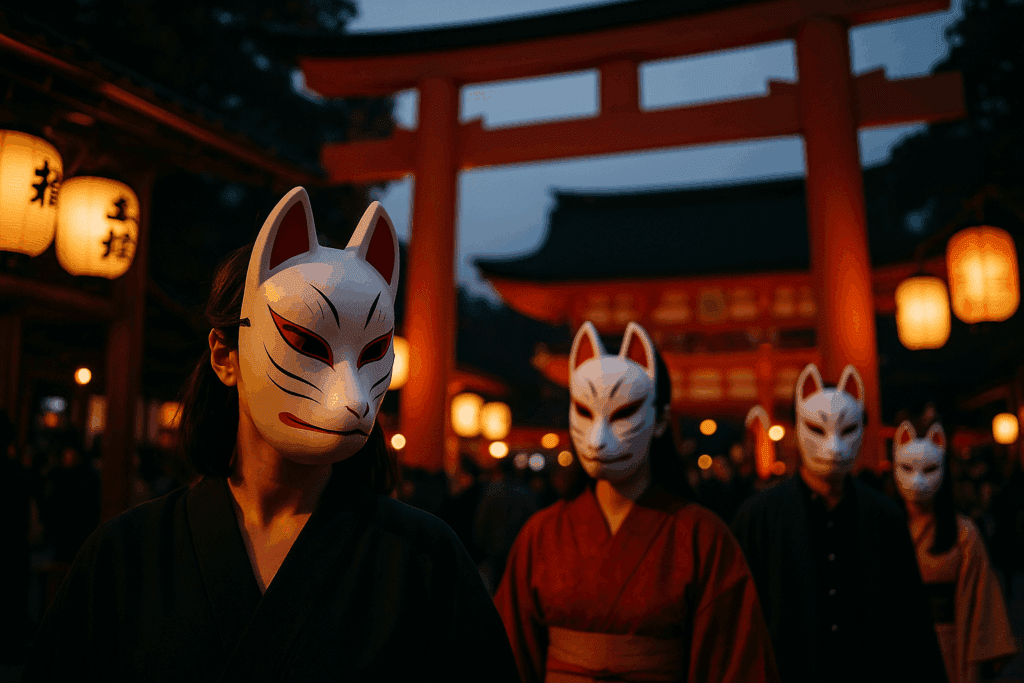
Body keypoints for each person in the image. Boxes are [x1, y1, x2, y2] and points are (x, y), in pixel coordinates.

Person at [22, 188, 518, 682]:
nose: (354, 396)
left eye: (372, 353)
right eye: (305, 342)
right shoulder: (125, 556)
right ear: (225, 355)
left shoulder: (424, 559)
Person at [495, 321, 779, 683]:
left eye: (623, 415)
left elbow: (735, 664)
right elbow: (506, 656)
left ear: (660, 421)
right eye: (584, 412)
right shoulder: (541, 535)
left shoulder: (704, 538)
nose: (598, 439)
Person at [731, 363, 948, 683]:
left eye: (847, 429)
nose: (833, 447)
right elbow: (738, 622)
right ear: (796, 428)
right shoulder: (758, 518)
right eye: (817, 429)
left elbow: (910, 618)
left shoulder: (884, 517)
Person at [892, 419, 1017, 683]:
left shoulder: (964, 533)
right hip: (899, 640)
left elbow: (982, 602)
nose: (918, 480)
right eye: (907, 468)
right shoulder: (885, 526)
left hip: (949, 642)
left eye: (929, 469)